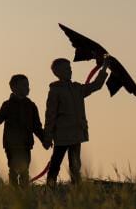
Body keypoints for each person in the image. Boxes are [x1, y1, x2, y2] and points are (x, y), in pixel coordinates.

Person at [43, 56, 109, 185]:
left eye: (70, 68)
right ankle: (50, 186)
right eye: (66, 69)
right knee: (56, 162)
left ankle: (76, 187)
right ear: (57, 72)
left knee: (75, 164)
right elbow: (50, 115)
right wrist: (47, 137)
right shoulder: (55, 90)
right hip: (62, 134)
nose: (70, 71)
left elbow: (96, 85)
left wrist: (104, 66)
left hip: (76, 133)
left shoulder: (77, 88)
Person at [0, 74, 50, 186]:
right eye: (24, 85)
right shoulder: (7, 105)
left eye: (27, 85)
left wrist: (44, 140)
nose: (27, 88)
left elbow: (36, 127)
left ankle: (23, 192)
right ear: (13, 87)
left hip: (26, 144)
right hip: (11, 144)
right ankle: (14, 192)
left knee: (24, 169)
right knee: (13, 169)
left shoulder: (31, 106)